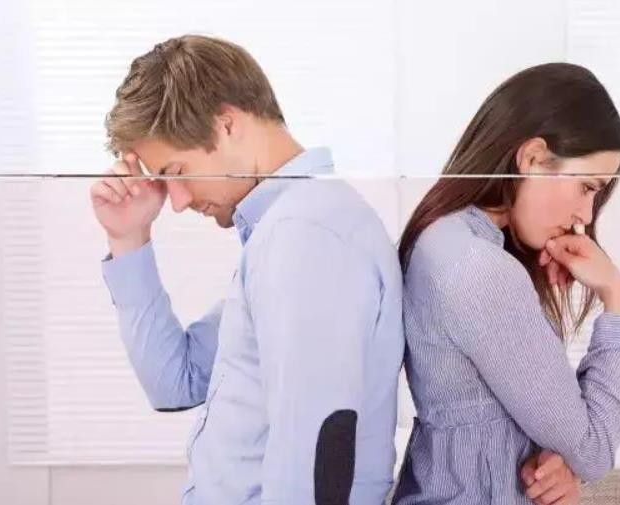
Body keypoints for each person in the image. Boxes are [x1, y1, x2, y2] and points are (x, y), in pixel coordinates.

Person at [91, 35, 404, 505]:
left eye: (177, 173)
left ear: (227, 125)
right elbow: (176, 382)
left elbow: (311, 462)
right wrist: (128, 237)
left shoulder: (305, 234)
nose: (177, 202)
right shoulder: (287, 230)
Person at [392, 63, 620, 505]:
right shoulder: (480, 269)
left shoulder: (443, 240)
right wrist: (617, 299)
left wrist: (561, 460)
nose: (585, 216)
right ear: (533, 158)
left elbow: (539, 430)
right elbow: (594, 448)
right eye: (587, 187)